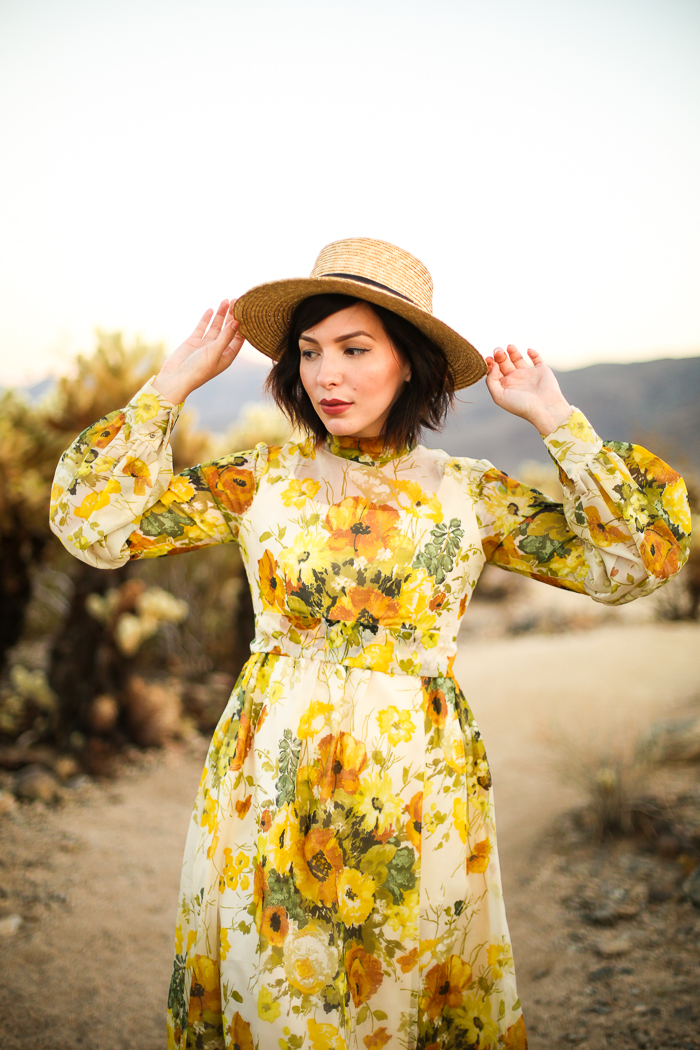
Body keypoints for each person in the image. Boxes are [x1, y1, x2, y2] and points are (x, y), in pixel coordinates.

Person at [50, 238, 691, 1050]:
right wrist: (170, 387)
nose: (328, 375)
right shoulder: (261, 482)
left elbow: (639, 560)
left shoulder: (470, 493)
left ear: (409, 365)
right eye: (311, 352)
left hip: (416, 784)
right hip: (270, 780)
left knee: (402, 988)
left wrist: (555, 419)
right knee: (276, 988)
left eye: (357, 350)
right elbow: (93, 524)